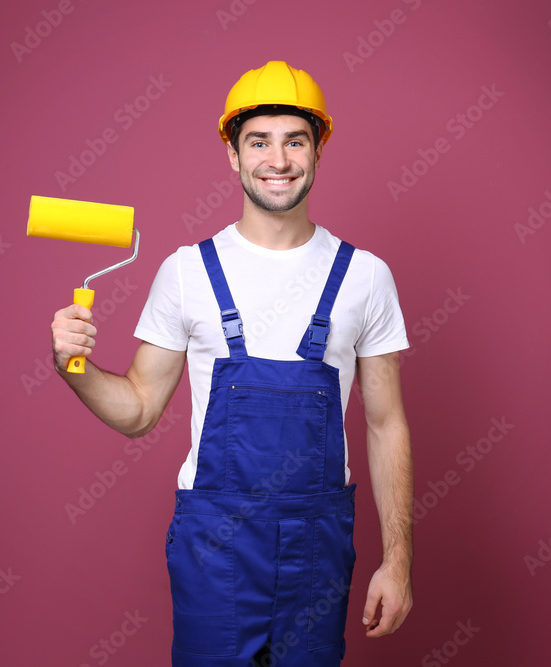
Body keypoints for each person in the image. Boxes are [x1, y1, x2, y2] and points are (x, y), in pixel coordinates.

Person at [51, 60, 413, 666]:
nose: (278, 159)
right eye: (259, 141)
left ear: (319, 150)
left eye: (295, 140)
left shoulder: (365, 277)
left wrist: (398, 563)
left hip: (317, 546)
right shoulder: (188, 272)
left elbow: (386, 424)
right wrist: (75, 368)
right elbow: (139, 410)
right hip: (213, 548)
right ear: (233, 154)